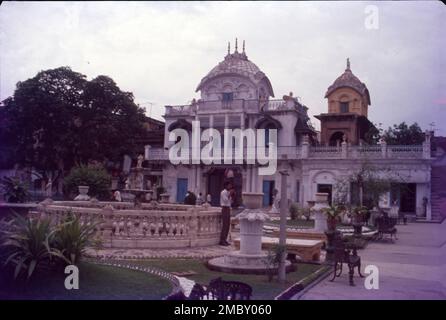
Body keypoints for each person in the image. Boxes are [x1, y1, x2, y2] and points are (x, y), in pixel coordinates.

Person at [219, 182, 232, 246]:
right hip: (224, 208)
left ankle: (225, 239)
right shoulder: (223, 192)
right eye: (229, 185)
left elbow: (230, 201)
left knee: (227, 225)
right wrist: (230, 194)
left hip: (228, 208)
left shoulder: (228, 192)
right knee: (224, 225)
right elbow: (225, 200)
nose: (230, 187)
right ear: (226, 186)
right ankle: (222, 240)